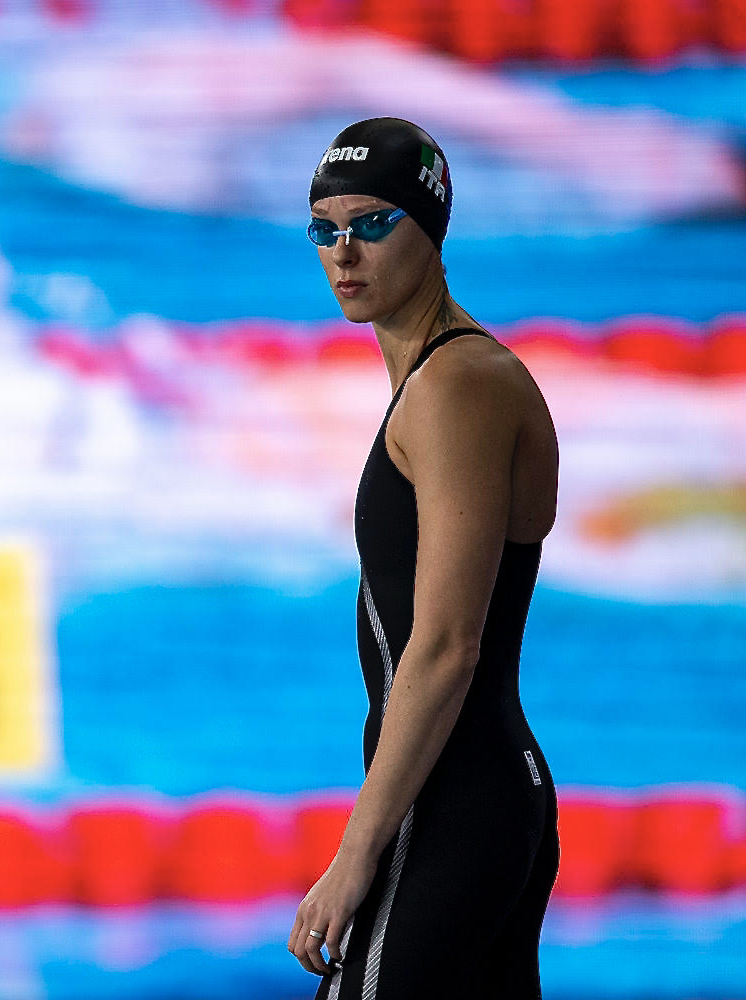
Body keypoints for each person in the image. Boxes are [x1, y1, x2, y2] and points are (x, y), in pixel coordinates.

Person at [287, 118, 560, 998]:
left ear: (430, 227)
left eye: (372, 224)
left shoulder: (457, 385)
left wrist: (354, 855)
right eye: (325, 230)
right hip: (470, 798)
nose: (344, 253)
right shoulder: (439, 383)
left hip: (452, 807)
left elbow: (446, 646)